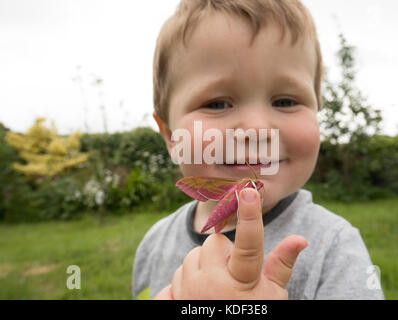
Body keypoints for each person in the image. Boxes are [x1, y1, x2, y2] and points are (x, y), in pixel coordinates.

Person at [133, 0, 384, 300]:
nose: (256, 130)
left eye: (285, 101)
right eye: (216, 104)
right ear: (172, 137)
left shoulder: (335, 247)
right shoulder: (153, 243)